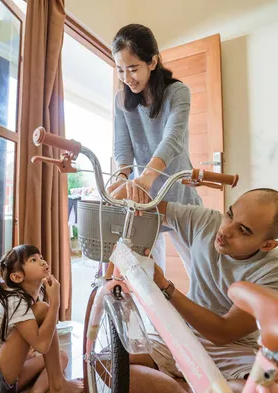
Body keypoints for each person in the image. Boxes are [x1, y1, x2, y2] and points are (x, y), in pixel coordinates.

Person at [128, 189, 278, 393]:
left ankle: (186, 387)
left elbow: (224, 332)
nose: (226, 230)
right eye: (230, 214)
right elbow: (151, 206)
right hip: (179, 332)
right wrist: (130, 189)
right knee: (110, 362)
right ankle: (199, 390)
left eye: (244, 230)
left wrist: (166, 286)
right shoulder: (207, 221)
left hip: (233, 348)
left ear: (267, 245)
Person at [107, 23, 201, 272]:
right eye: (120, 70)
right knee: (145, 277)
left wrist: (147, 177)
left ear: (153, 61)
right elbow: (123, 147)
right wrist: (121, 178)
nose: (127, 79)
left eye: (133, 69)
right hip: (143, 200)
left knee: (200, 270)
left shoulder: (178, 93)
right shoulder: (121, 101)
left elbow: (173, 139)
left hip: (178, 193)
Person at [0, 245, 83, 393]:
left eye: (41, 257)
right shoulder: (16, 300)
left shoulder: (31, 298)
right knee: (43, 309)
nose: (42, 261)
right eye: (33, 260)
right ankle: (58, 386)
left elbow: (41, 344)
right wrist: (55, 303)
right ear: (17, 277)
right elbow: (42, 345)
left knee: (61, 357)